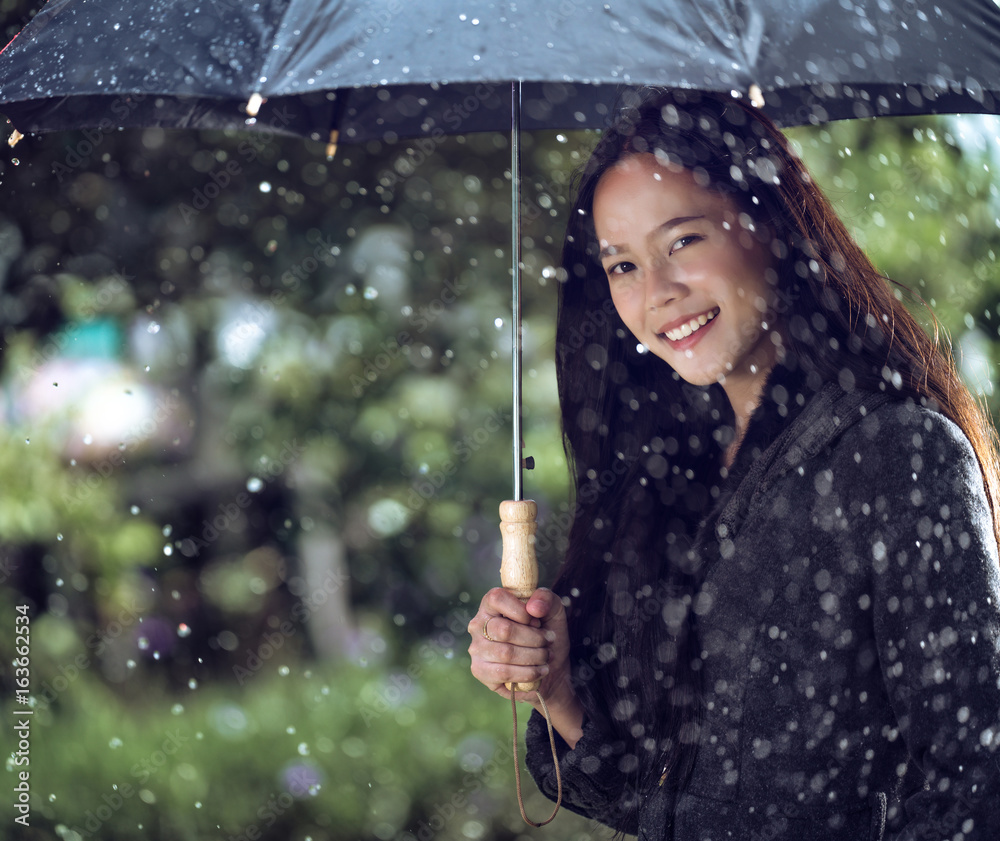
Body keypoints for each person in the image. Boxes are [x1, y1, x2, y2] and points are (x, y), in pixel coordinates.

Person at [468, 87, 1000, 840]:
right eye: (621, 264)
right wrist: (555, 687)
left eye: (683, 241)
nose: (657, 294)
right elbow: (653, 799)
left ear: (771, 224)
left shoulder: (896, 453)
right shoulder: (676, 480)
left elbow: (973, 788)